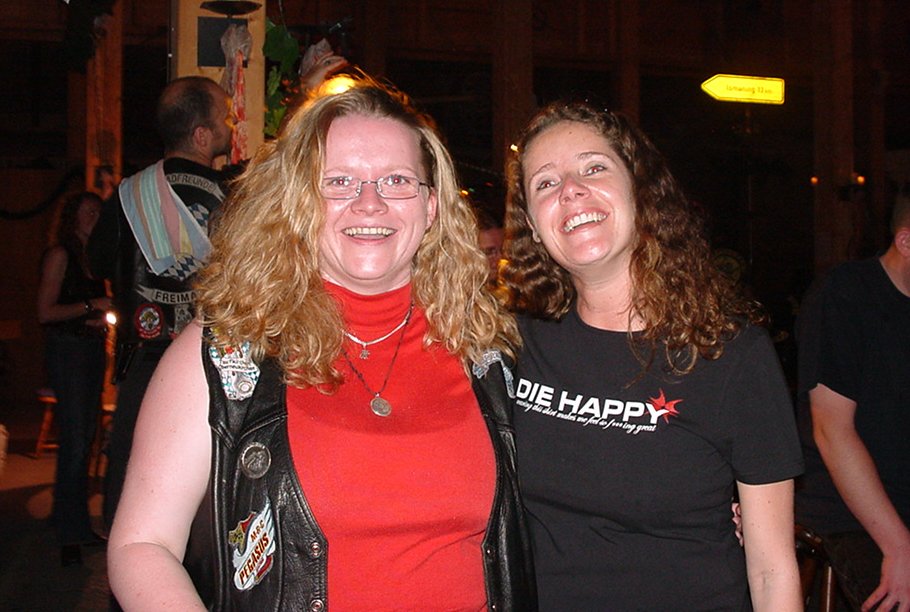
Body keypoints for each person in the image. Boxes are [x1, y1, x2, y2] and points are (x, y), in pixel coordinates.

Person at [107, 77, 536, 610]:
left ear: (431, 207)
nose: (370, 203)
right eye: (339, 181)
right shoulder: (227, 352)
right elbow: (142, 545)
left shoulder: (489, 350)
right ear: (299, 201)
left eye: (397, 180)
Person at [500, 100, 804, 610]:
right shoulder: (511, 341)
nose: (570, 189)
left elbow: (772, 569)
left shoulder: (731, 354)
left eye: (593, 168)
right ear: (532, 225)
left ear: (641, 191)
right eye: (546, 183)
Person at [87, 75, 235, 529]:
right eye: (226, 117)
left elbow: (96, 262)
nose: (232, 125)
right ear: (202, 135)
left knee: (133, 467)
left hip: (143, 358)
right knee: (210, 473)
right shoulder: (235, 197)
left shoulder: (128, 196)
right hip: (212, 359)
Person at [795, 194, 910, 611]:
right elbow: (832, 429)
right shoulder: (847, 293)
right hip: (849, 512)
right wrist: (899, 546)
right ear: (906, 242)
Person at [36, 191, 112, 566]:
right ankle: (71, 532)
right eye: (87, 211)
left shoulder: (92, 259)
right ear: (72, 216)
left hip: (89, 350)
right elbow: (45, 311)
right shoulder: (61, 254)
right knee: (76, 440)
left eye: (98, 211)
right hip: (68, 352)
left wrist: (98, 320)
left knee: (84, 437)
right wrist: (90, 306)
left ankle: (67, 517)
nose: (93, 217)